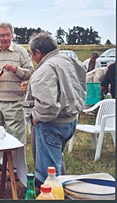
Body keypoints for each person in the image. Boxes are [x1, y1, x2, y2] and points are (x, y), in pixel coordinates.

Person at [24, 33, 86, 186]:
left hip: (52, 124)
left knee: (48, 173)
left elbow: (47, 106)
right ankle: (63, 189)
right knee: (56, 161)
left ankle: (53, 194)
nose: (32, 57)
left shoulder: (45, 68)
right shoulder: (70, 60)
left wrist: (35, 117)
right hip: (70, 120)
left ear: (38, 52)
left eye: (31, 54)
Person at [0, 22, 34, 186]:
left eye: (8, 34)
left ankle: (15, 169)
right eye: (2, 35)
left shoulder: (20, 52)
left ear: (12, 35)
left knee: (15, 136)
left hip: (15, 102)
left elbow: (31, 72)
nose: (5, 38)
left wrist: (17, 70)